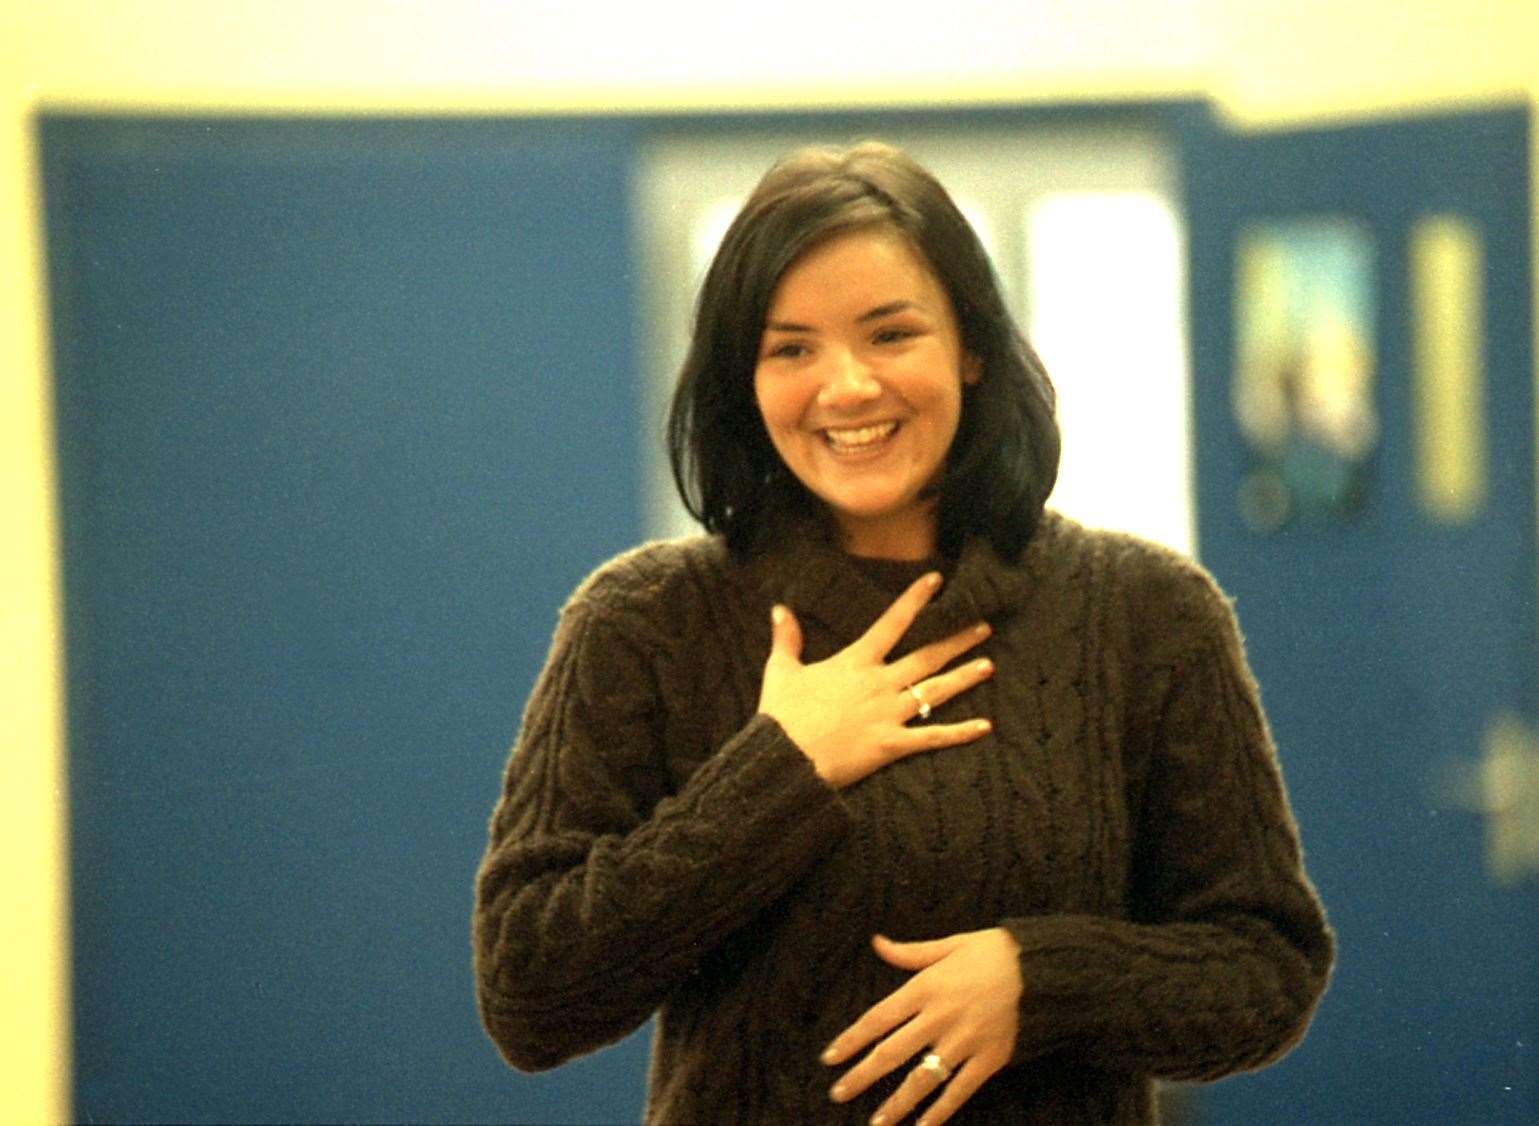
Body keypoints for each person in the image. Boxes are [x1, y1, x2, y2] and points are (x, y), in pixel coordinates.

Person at [472, 140, 1333, 1125]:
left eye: (890, 334)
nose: (846, 388)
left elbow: (1267, 966)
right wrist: (780, 768)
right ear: (743, 380)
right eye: (790, 347)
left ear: (969, 345)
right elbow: (529, 993)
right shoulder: (642, 622)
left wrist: (1039, 982)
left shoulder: (1146, 613)